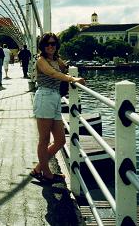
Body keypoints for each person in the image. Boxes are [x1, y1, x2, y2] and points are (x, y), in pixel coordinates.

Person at [30, 33, 85, 183]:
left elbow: (63, 67)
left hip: (54, 98)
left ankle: (37, 169)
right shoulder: (41, 60)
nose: (50, 46)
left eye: (53, 44)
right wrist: (72, 79)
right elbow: (52, 73)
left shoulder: (55, 59)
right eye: (47, 44)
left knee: (60, 140)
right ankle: (46, 174)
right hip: (45, 98)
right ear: (42, 46)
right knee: (45, 139)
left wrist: (69, 69)